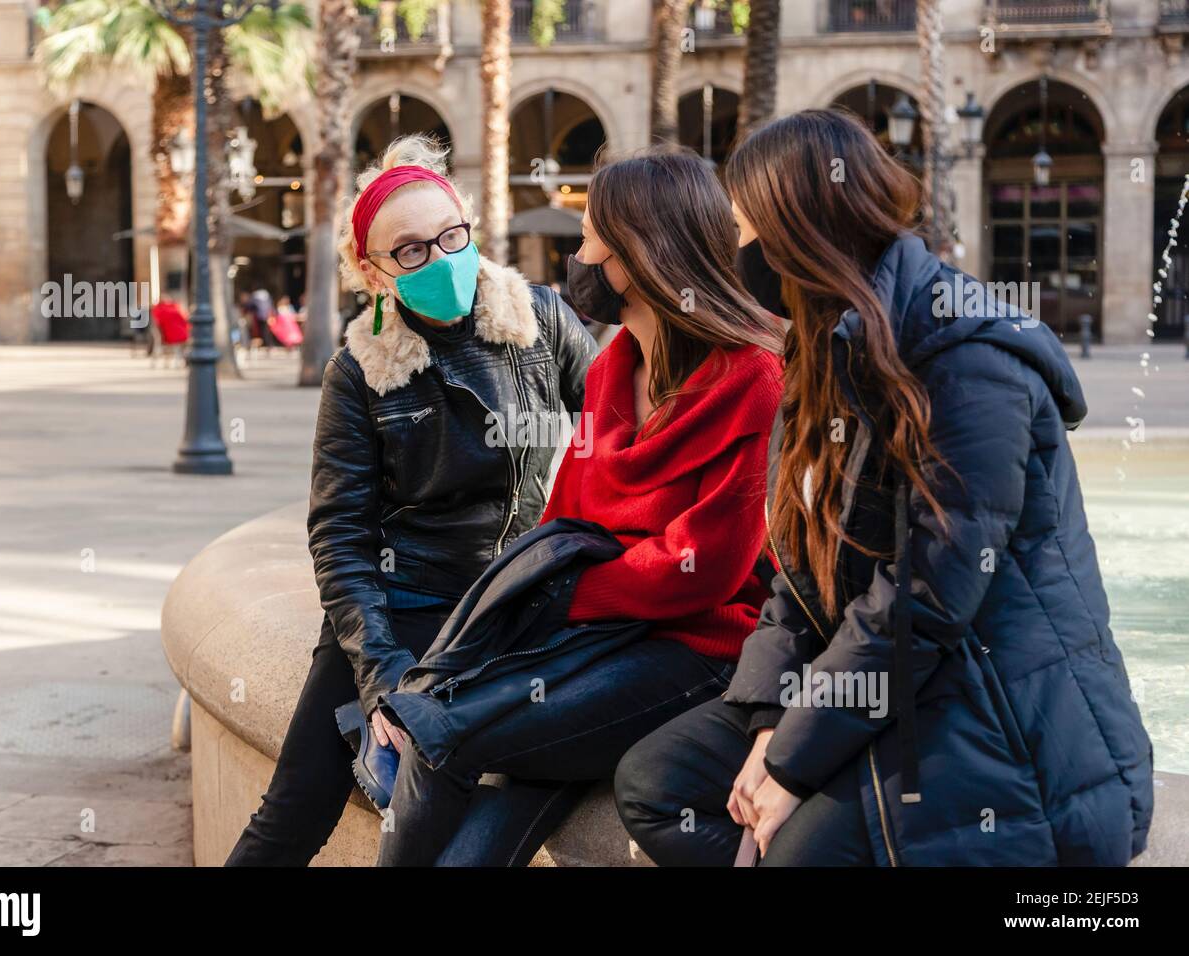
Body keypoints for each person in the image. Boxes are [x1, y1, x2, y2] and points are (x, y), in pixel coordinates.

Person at [614, 109, 1154, 867]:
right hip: (877, 686)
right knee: (653, 783)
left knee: (797, 855)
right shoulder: (818, 344)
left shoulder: (969, 358)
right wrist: (773, 716)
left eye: (740, 230)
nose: (732, 255)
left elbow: (927, 599)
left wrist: (790, 762)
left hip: (992, 706)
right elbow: (796, 578)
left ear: (795, 230)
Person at [374, 148, 784, 866]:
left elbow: (707, 566)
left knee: (444, 735)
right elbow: (566, 521)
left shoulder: (753, 376)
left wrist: (566, 591)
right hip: (599, 643)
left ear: (638, 255)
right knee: (499, 762)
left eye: (591, 236)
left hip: (700, 650)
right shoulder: (613, 369)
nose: (579, 254)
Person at [225, 134, 597, 865]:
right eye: (412, 251)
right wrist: (381, 672)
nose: (440, 258)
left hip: (512, 605)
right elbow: (339, 535)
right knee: (294, 811)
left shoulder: (542, 321)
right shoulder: (357, 372)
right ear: (374, 271)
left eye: (450, 236)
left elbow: (622, 430)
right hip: (404, 605)